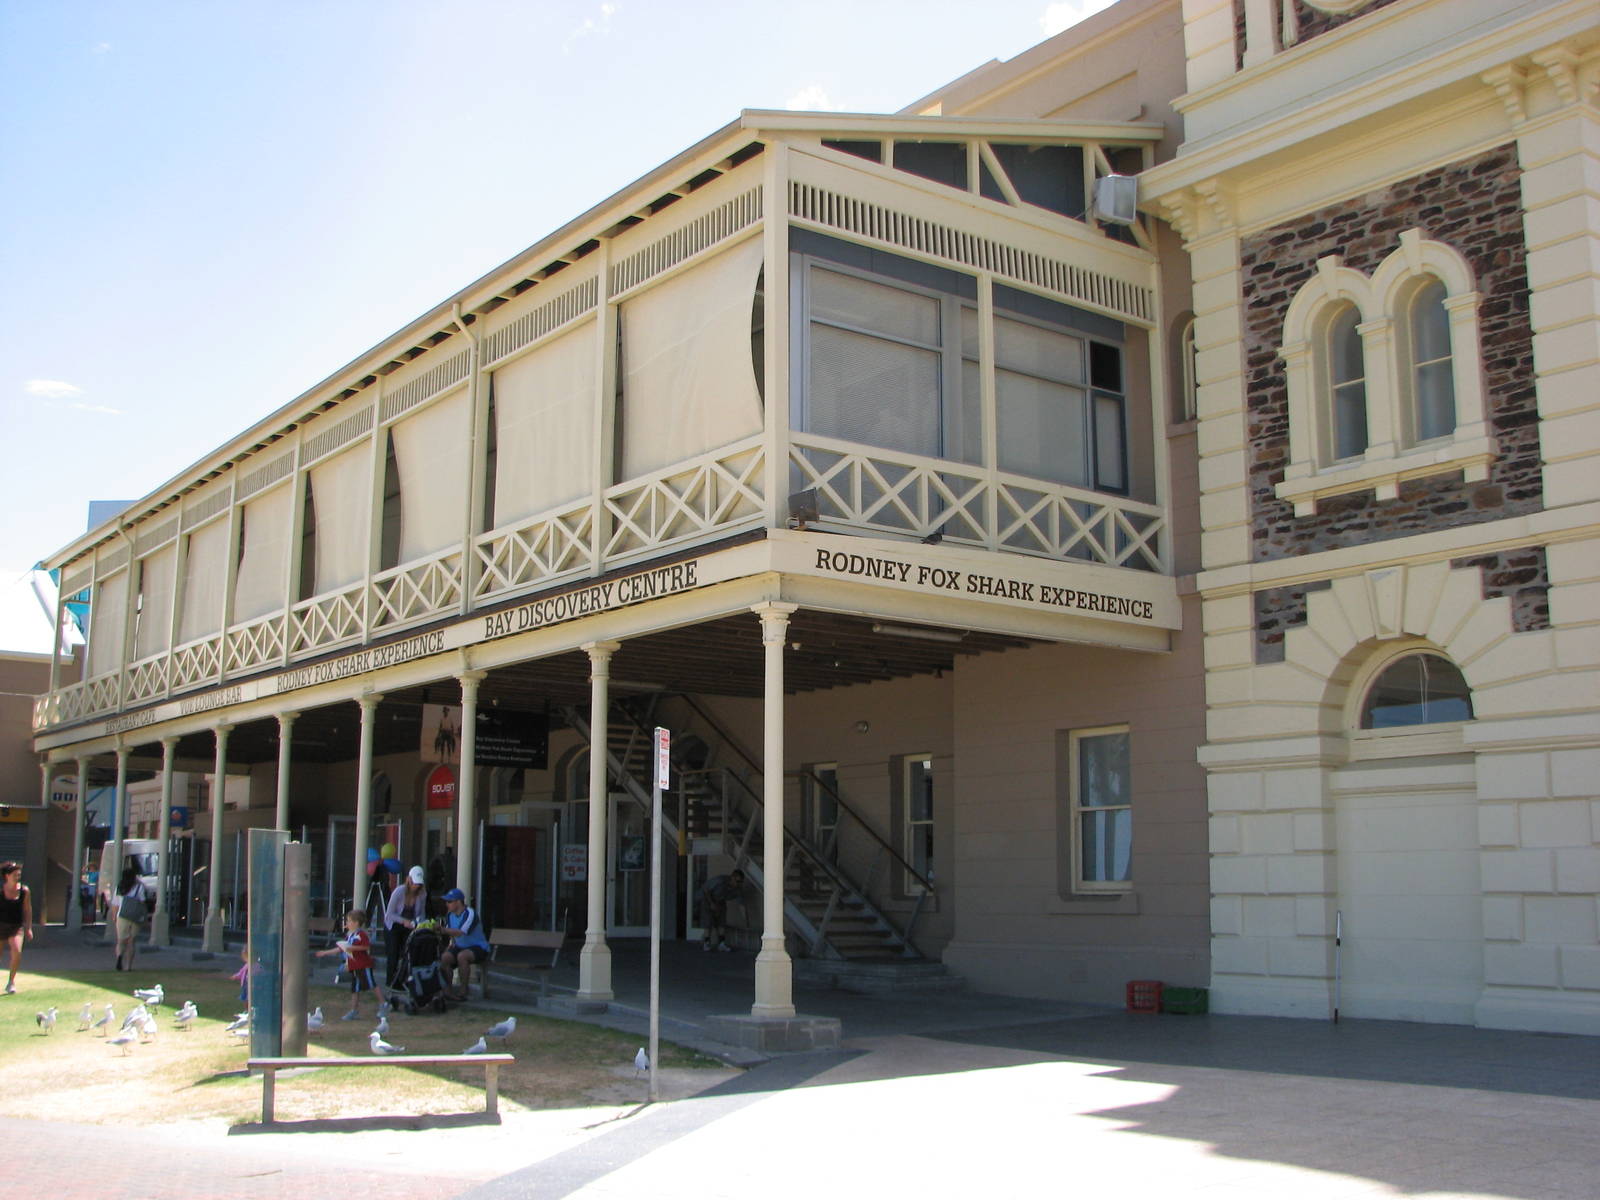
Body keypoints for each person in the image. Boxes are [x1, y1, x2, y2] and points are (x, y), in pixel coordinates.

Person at [315, 909, 386, 1021]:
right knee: (355, 988)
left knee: (371, 984)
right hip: (354, 967)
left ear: (356, 923)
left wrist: (351, 948)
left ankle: (383, 1004)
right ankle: (354, 1010)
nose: (347, 923)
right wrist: (325, 953)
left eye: (349, 921)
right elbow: (341, 948)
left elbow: (366, 947)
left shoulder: (361, 935)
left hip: (363, 965)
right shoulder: (349, 936)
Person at [438, 888, 490, 999]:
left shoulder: (470, 913)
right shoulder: (449, 915)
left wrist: (443, 930)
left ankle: (463, 990)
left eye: (449, 901)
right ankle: (448, 990)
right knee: (445, 957)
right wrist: (450, 943)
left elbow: (461, 932)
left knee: (462, 956)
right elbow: (451, 932)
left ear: (458, 902)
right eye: (446, 902)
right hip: (460, 946)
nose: (447, 904)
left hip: (478, 947)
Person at [382, 865, 428, 988]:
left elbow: (421, 913)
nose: (416, 886)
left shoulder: (422, 894)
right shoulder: (399, 891)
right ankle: (390, 982)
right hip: (393, 925)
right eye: (414, 883)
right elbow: (389, 914)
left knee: (409, 952)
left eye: (419, 884)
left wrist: (420, 923)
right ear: (409, 880)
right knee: (393, 953)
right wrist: (403, 921)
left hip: (410, 926)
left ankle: (404, 980)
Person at [0, 862, 34, 994]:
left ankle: (11, 982)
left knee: (17, 951)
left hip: (16, 926)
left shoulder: (24, 891)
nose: (18, 876)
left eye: (19, 874)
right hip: (1, 925)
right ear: (7, 876)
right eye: (15, 874)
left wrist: (29, 927)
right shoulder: (1, 891)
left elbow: (27, 909)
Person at [113, 866, 149, 972]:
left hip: (122, 915)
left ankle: (119, 956)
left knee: (121, 941)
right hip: (135, 916)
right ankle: (128, 966)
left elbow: (115, 904)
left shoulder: (120, 887)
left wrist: (114, 916)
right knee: (131, 941)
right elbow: (142, 902)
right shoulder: (139, 887)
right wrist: (145, 916)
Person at [700, 869, 745, 953]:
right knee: (708, 922)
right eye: (737, 881)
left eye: (741, 882)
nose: (738, 884)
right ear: (732, 878)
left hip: (721, 901)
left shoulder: (738, 889)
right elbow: (706, 889)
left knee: (721, 922)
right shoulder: (720, 881)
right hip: (709, 898)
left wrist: (746, 920)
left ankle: (721, 944)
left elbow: (741, 904)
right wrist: (711, 903)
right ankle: (706, 943)